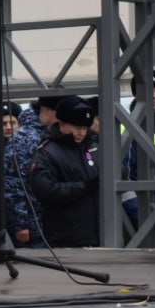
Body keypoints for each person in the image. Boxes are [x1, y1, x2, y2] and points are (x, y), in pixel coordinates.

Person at [28, 96, 100, 247]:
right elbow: (46, 190)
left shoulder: (94, 146)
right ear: (62, 124)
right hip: (66, 237)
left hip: (99, 233)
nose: (81, 133)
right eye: (76, 127)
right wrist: (84, 186)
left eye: (85, 128)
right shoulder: (47, 153)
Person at [5, 92, 65, 247]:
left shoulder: (53, 134)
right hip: (33, 224)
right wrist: (21, 224)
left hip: (54, 221)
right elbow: (13, 183)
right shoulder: (22, 138)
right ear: (47, 111)